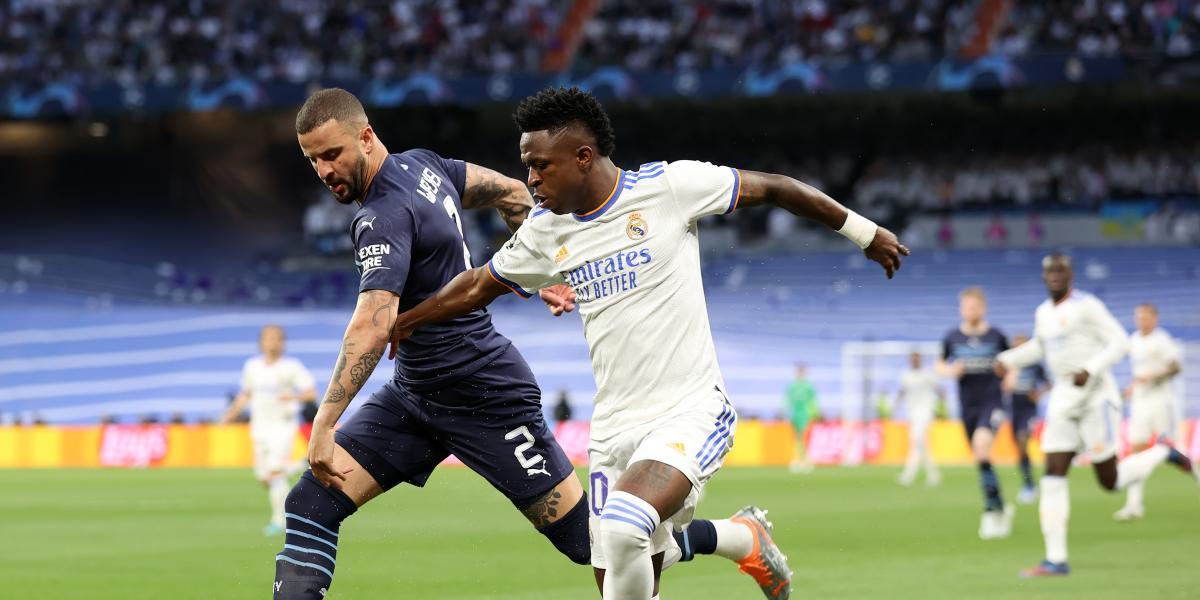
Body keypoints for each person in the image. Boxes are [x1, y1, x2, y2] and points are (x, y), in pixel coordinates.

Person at [387, 86, 909, 599]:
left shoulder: (668, 188)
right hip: (614, 426)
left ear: (584, 157)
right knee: (621, 570)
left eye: (541, 165)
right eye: (527, 165)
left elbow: (773, 186)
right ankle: (740, 537)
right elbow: (479, 285)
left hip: (689, 409)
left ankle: (733, 536)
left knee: (623, 528)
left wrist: (865, 233)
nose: (531, 179)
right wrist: (407, 320)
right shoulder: (549, 231)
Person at [274, 88, 778, 600]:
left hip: (484, 394)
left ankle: (740, 537)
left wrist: (324, 424)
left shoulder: (381, 214)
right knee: (312, 503)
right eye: (312, 159)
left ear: (365, 137)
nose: (323, 170)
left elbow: (373, 325)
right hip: (414, 394)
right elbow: (512, 192)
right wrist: (542, 269)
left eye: (332, 154)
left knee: (595, 542)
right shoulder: (425, 168)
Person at [996, 254, 1194, 578]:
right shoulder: (1043, 313)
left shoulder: (1087, 306)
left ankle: (1163, 451)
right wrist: (1008, 359)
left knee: (1110, 481)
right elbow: (1041, 348)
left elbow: (1119, 342)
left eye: (1061, 270)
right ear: (1044, 277)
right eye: (1050, 271)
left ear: (1071, 275)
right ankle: (1055, 559)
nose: (1056, 276)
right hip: (1062, 396)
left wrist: (1091, 369)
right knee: (1053, 473)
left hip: (1096, 396)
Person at [220, 325, 317, 536]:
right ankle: (299, 464)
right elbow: (245, 394)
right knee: (264, 477)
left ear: (282, 343)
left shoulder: (291, 367)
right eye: (268, 339)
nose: (272, 343)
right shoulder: (252, 367)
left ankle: (279, 520)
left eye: (276, 339)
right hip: (259, 427)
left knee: (274, 473)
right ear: (261, 342)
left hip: (282, 427)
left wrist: (291, 397)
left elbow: (310, 394)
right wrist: (230, 414)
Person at [936, 287, 1013, 540]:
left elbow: (1012, 360)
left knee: (982, 447)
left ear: (983, 307)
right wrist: (949, 372)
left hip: (992, 402)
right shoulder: (952, 338)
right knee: (980, 457)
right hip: (967, 405)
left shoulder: (997, 336)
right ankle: (999, 502)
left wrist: (1011, 376)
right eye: (967, 306)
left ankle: (990, 510)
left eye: (975, 306)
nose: (971, 310)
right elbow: (939, 364)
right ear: (961, 309)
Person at [1113, 302, 1192, 522]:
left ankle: (1194, 471)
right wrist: (1132, 388)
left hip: (1161, 401)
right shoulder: (1134, 340)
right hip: (1140, 403)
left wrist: (1153, 376)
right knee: (1137, 450)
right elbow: (1138, 373)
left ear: (1154, 318)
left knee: (1170, 446)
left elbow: (1176, 367)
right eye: (1138, 317)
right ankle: (1134, 505)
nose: (1141, 321)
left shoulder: (1162, 340)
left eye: (1145, 317)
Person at [1002, 334, 1048, 504]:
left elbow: (1048, 382)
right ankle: (1029, 484)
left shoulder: (1034, 365)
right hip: (1013, 410)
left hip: (1029, 410)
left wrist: (1038, 393)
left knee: (1023, 439)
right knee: (1021, 450)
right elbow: (1001, 385)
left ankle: (1033, 484)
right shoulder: (1009, 366)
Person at [896, 351, 942, 487]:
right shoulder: (906, 375)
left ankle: (908, 475)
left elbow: (939, 389)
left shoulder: (927, 375)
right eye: (913, 359)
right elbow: (902, 391)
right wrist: (896, 405)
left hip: (925, 410)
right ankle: (934, 475)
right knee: (921, 443)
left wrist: (941, 407)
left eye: (917, 359)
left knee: (916, 441)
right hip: (912, 411)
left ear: (920, 360)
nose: (915, 361)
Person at [784, 364, 818, 474]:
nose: (801, 374)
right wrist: (785, 411)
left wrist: (814, 413)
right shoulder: (792, 386)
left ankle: (805, 460)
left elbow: (813, 401)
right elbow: (787, 400)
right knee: (797, 438)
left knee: (804, 437)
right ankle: (799, 459)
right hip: (795, 415)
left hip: (805, 414)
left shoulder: (808, 386)